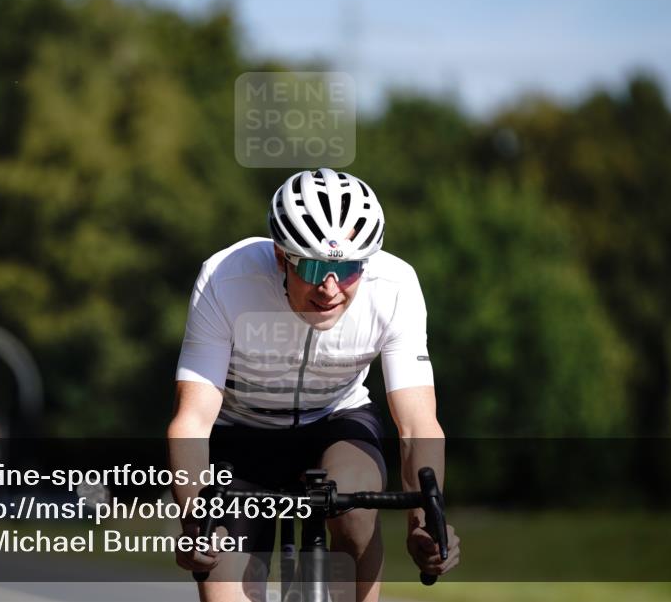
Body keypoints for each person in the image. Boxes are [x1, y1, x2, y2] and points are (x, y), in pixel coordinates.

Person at [168, 168, 460, 602]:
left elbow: (417, 424)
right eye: (314, 266)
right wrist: (196, 523)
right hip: (242, 432)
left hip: (336, 421)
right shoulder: (225, 279)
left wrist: (424, 523)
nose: (330, 288)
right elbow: (192, 420)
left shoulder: (395, 287)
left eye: (348, 268)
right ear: (281, 256)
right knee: (221, 575)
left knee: (354, 507)